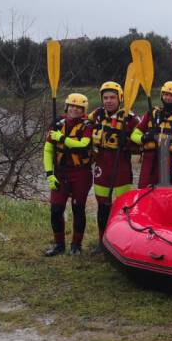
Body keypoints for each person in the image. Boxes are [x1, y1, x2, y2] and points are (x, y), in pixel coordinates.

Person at [90, 81, 139, 251]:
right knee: (103, 205)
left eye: (112, 97)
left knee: (123, 208)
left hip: (121, 168)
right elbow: (82, 128)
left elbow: (141, 145)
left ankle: (121, 243)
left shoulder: (131, 119)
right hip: (102, 166)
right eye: (105, 98)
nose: (108, 101)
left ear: (120, 99)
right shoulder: (96, 115)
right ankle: (102, 241)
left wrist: (127, 142)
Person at [42, 92, 93, 256]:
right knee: (56, 209)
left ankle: (76, 245)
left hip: (81, 173)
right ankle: (59, 244)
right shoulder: (57, 123)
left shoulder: (88, 125)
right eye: (72, 106)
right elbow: (48, 150)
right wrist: (50, 174)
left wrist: (62, 138)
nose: (75, 109)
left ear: (84, 110)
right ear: (67, 106)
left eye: (79, 107)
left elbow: (83, 145)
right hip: (60, 173)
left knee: (78, 208)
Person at [131, 81, 172, 188]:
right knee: (144, 197)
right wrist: (145, 138)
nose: (168, 98)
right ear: (161, 95)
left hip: (170, 166)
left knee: (167, 200)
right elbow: (134, 135)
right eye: (166, 94)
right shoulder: (151, 113)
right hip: (149, 164)